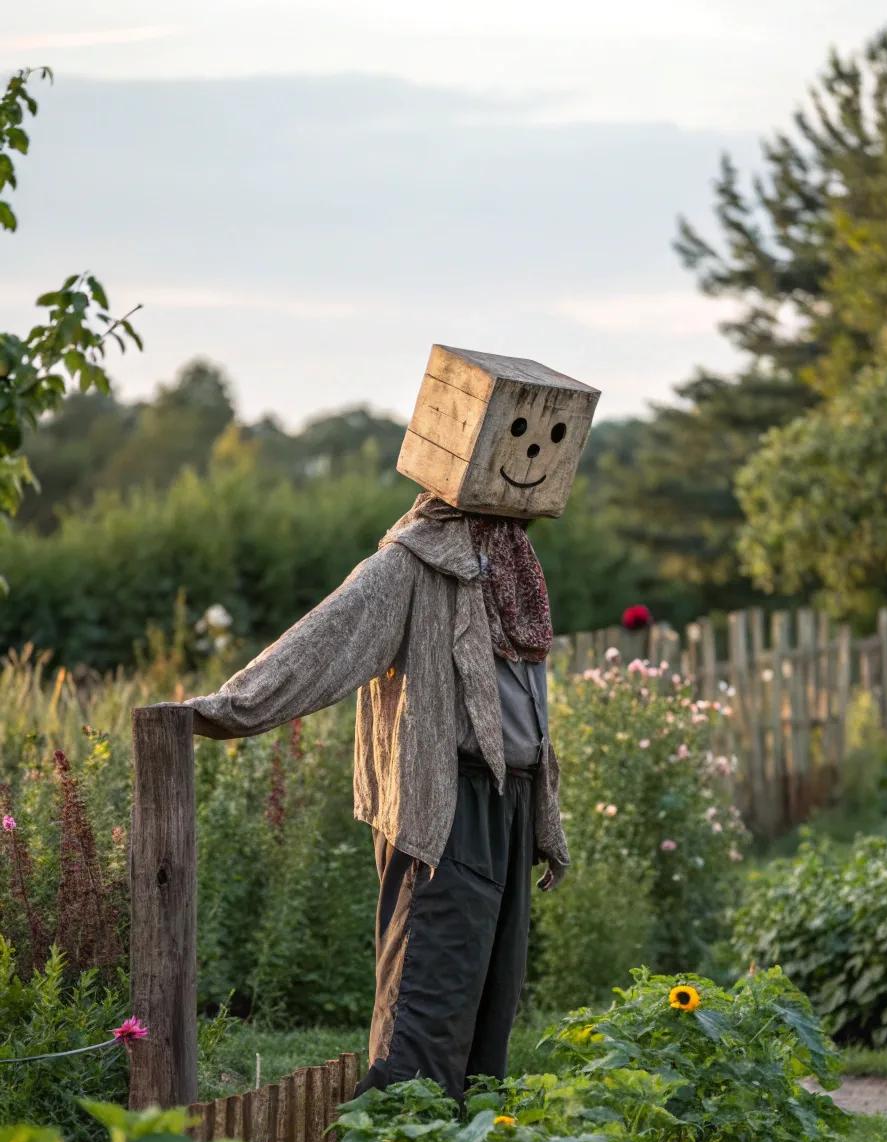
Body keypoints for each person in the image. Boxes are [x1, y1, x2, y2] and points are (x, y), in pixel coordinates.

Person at [188, 346, 599, 1099]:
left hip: (507, 803)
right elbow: (324, 640)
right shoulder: (411, 564)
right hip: (443, 809)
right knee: (428, 1002)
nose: (534, 456)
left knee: (487, 1009)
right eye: (520, 437)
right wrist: (223, 711)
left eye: (547, 441)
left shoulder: (510, 565)